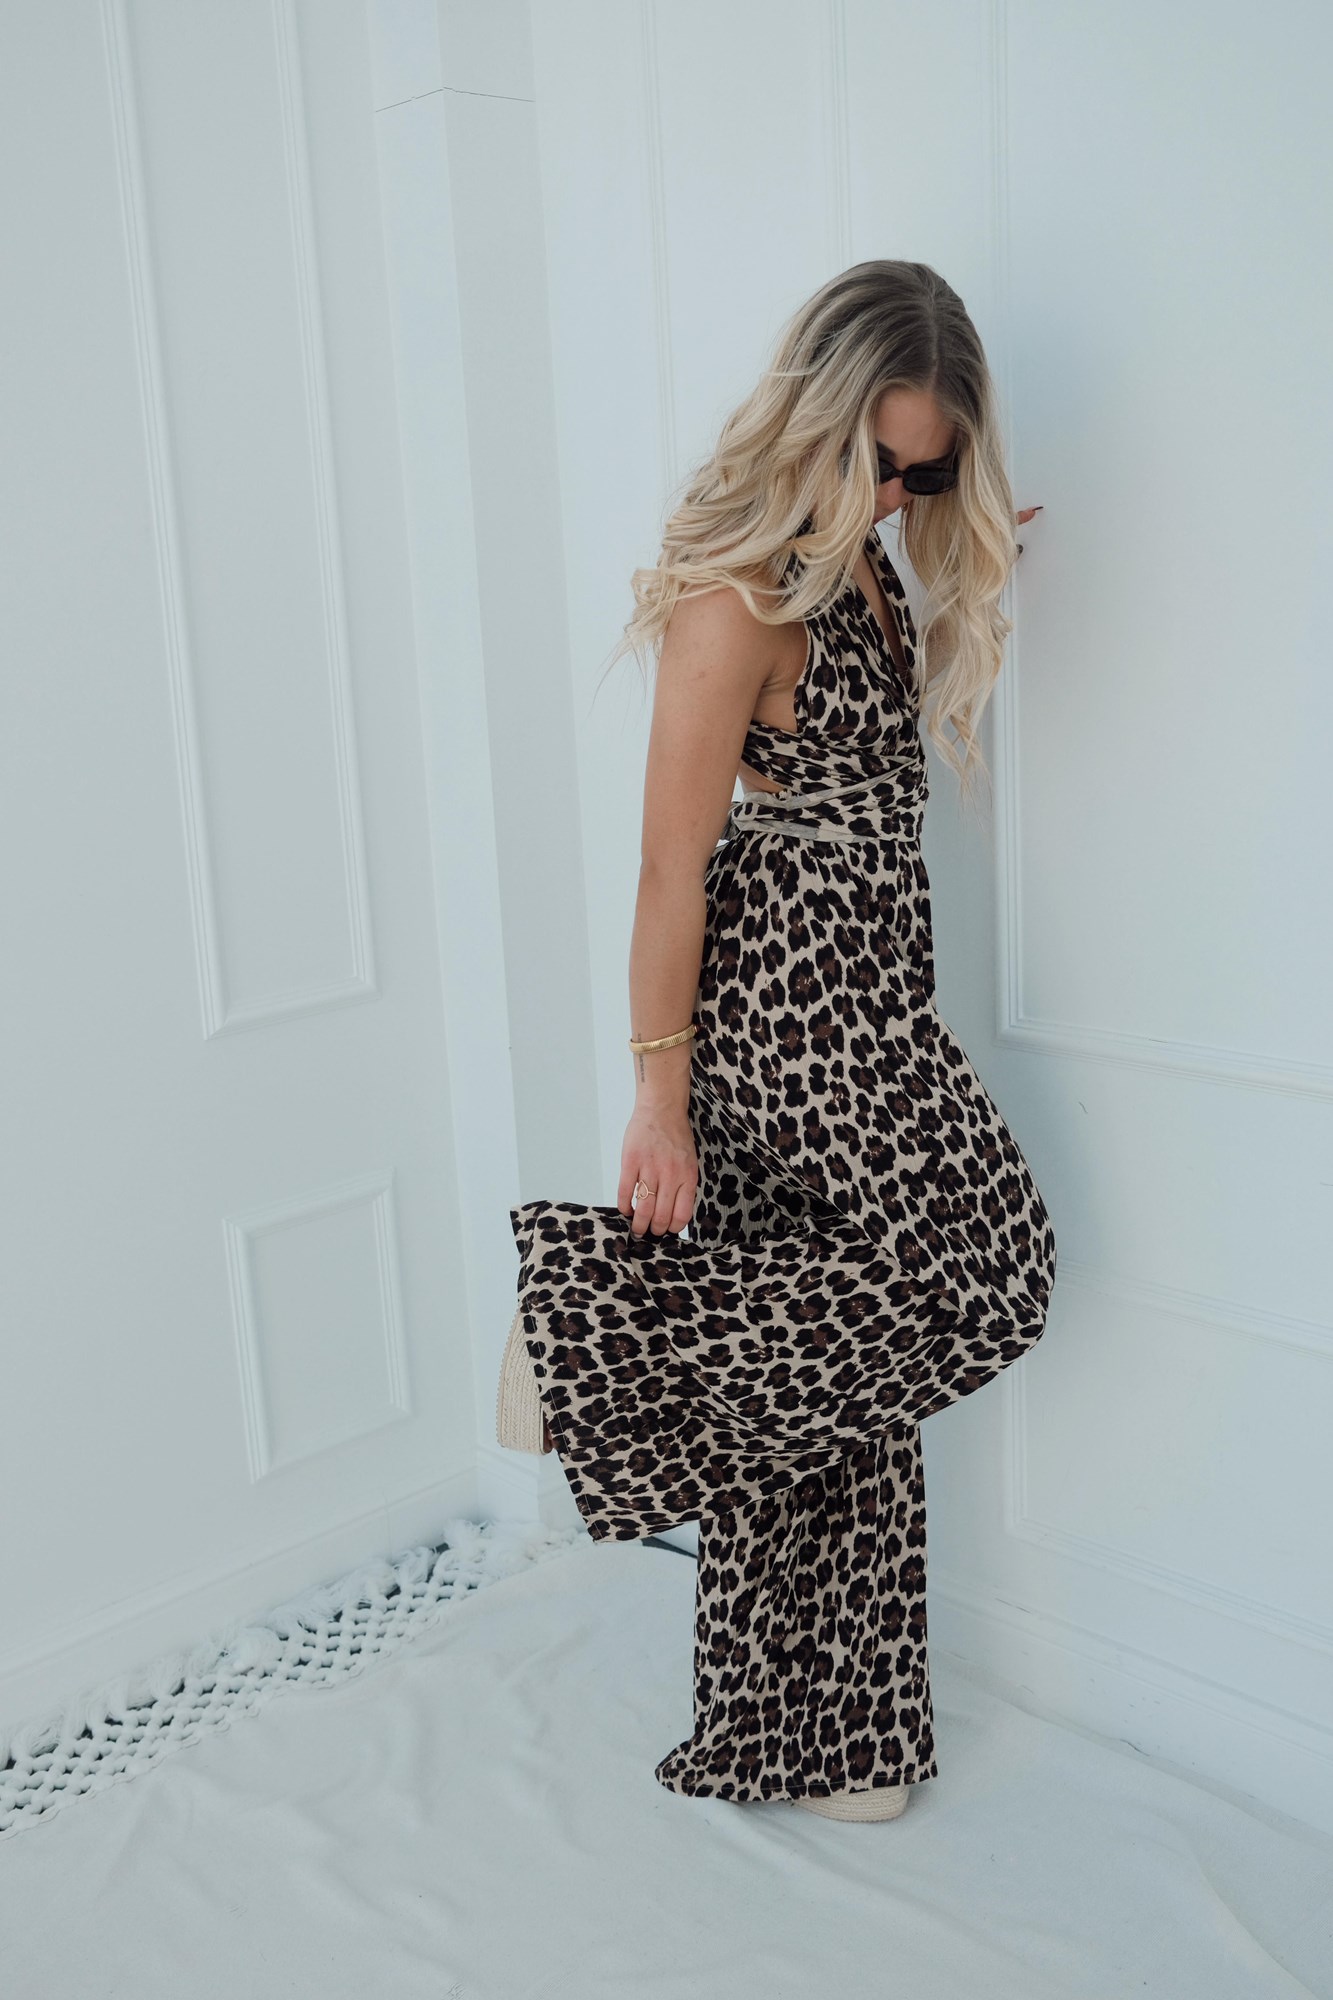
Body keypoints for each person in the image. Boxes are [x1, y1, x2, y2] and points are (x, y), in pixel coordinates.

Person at [496, 259, 1056, 1823]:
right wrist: (656, 1103)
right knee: (990, 1270)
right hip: (788, 1008)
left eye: (922, 471)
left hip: (878, 996)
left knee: (830, 1391)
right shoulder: (732, 597)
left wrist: (954, 545)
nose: (892, 491)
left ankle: (821, 1737)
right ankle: (583, 1336)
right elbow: (667, 867)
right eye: (878, 458)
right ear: (814, 417)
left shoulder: (860, 563)